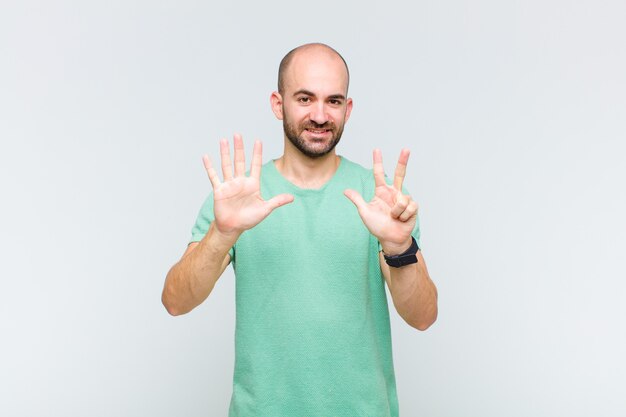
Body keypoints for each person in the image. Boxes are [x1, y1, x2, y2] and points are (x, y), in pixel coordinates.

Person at [162, 43, 438, 417]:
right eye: (305, 98)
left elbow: (422, 316)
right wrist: (222, 234)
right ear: (279, 104)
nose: (320, 115)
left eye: (334, 101)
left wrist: (398, 246)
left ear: (348, 109)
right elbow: (176, 301)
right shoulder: (238, 198)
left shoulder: (382, 199)